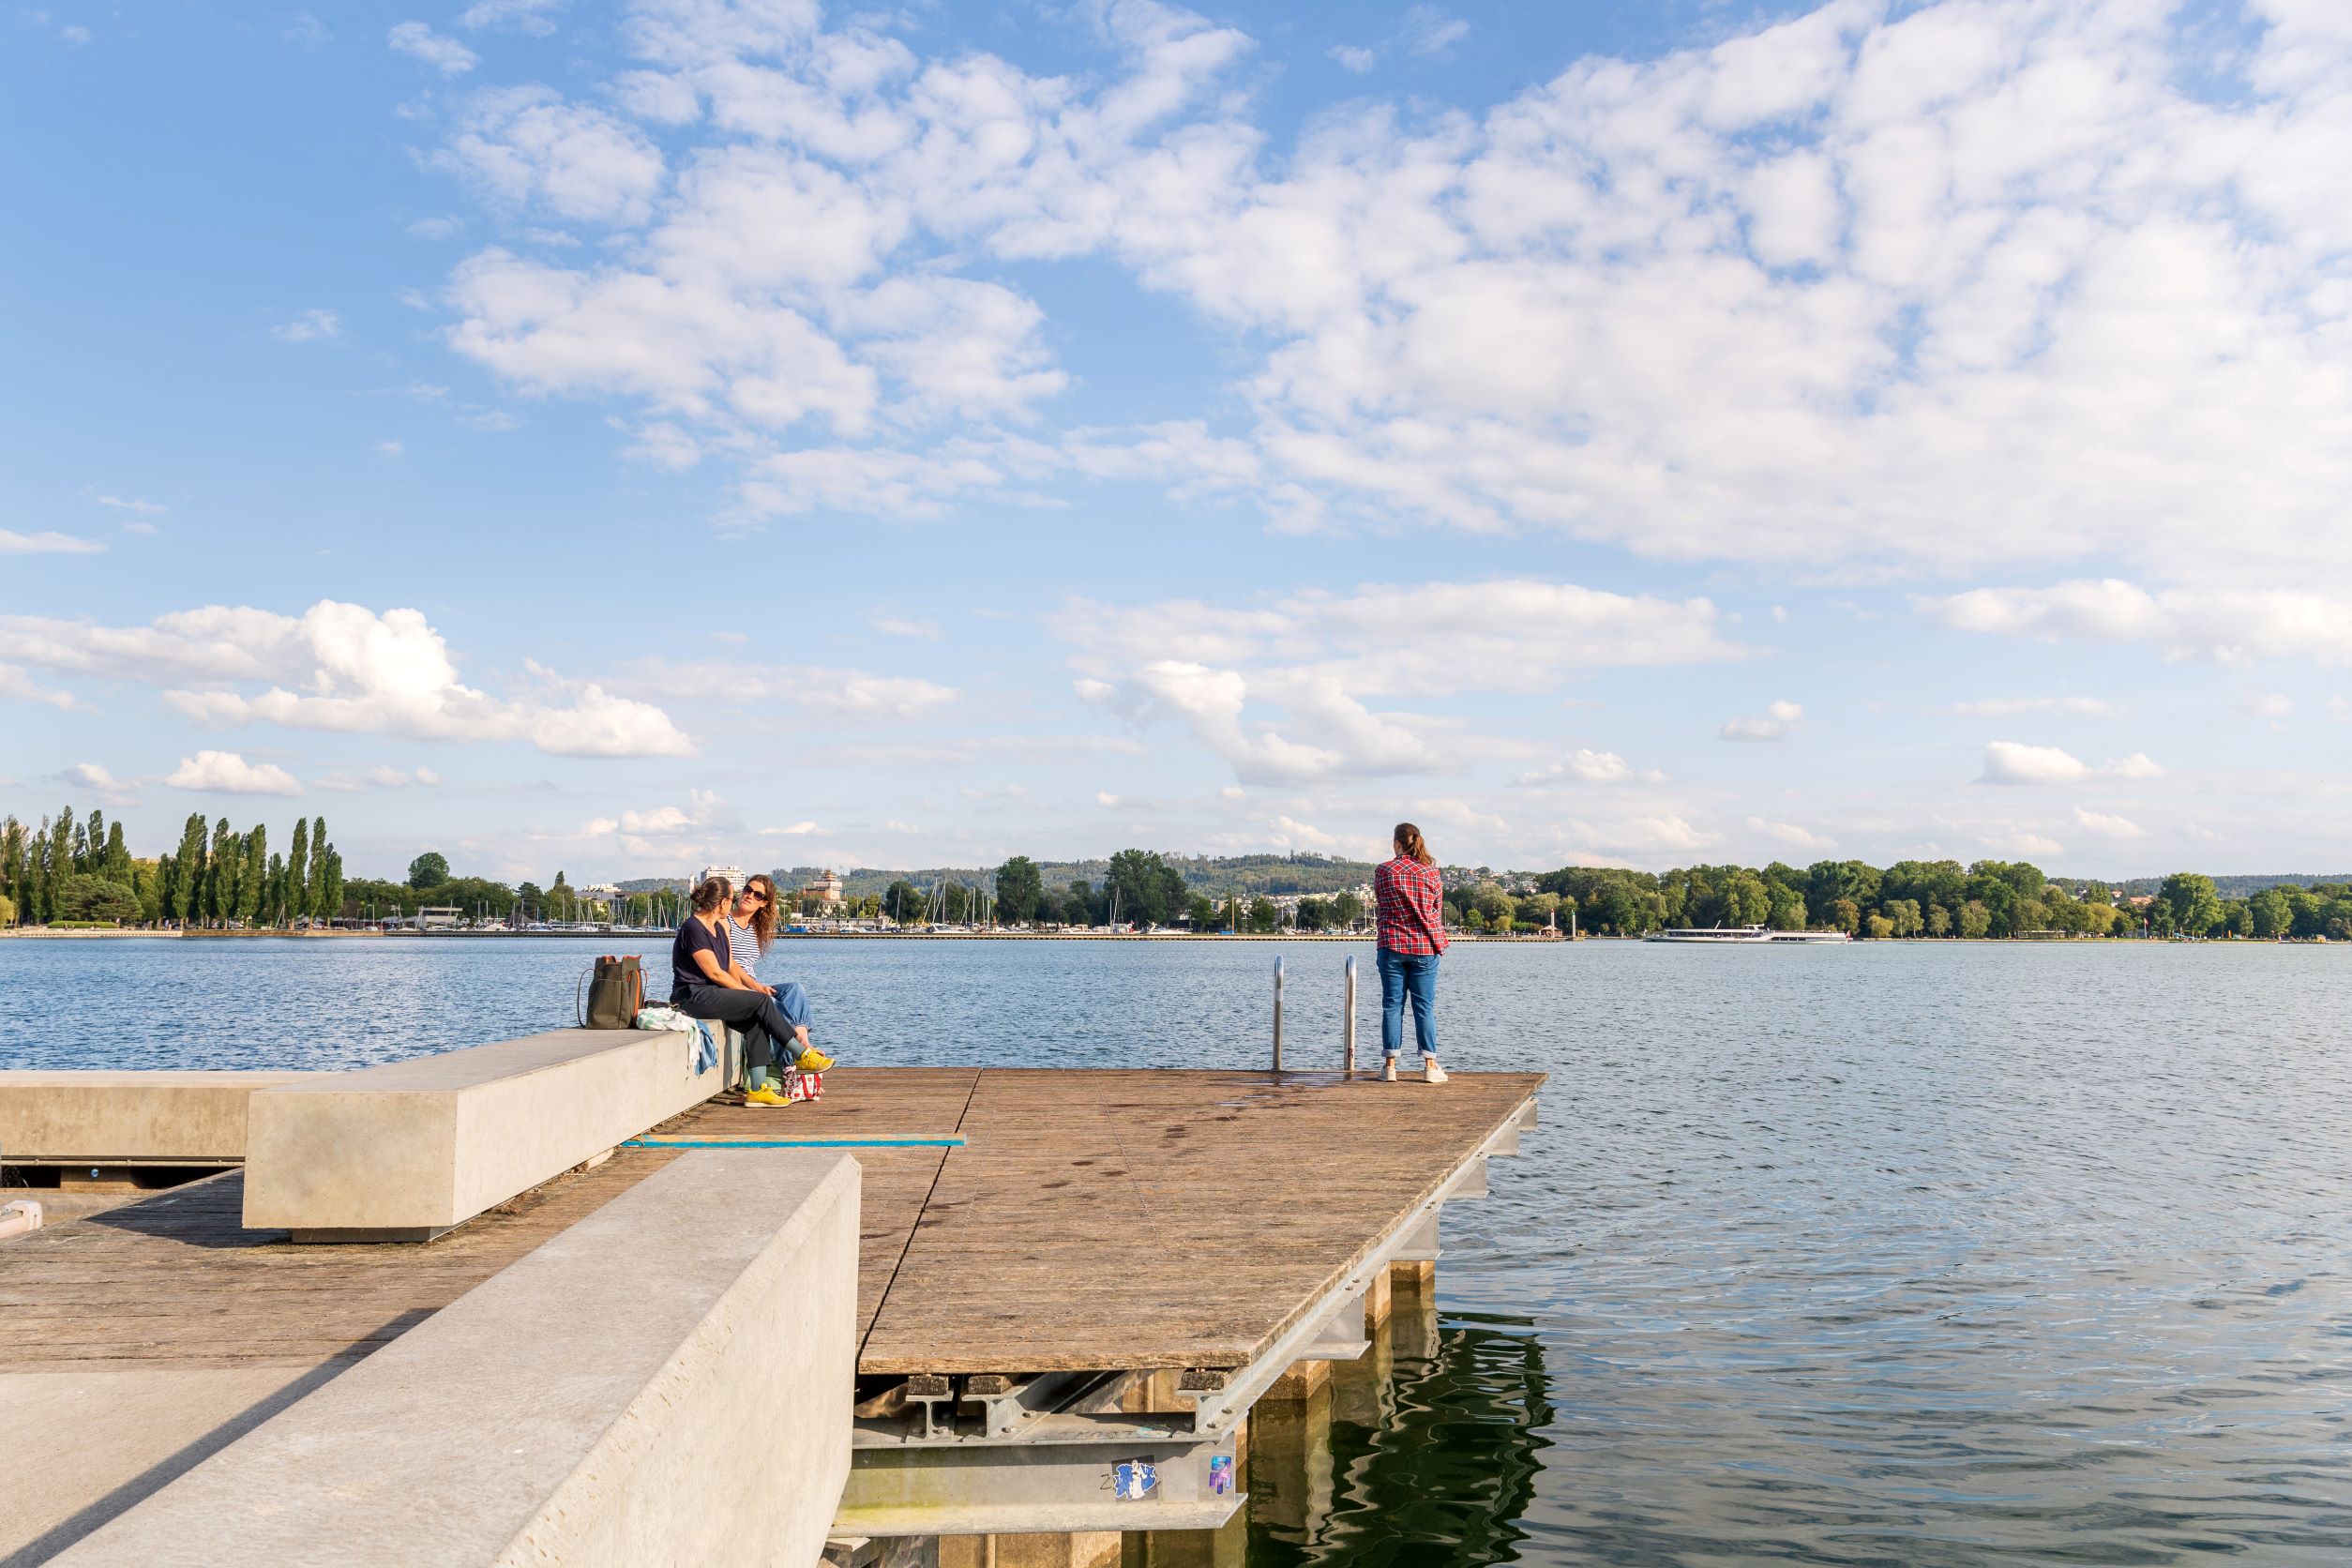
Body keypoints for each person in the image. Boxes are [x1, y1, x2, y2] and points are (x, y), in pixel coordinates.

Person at [669, 877, 822, 1108]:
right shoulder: (694, 927)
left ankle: (757, 1090)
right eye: (732, 898)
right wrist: (751, 994)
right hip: (691, 996)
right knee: (760, 1004)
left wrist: (754, 991)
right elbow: (715, 973)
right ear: (722, 903)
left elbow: (729, 965)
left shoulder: (718, 928)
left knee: (755, 1021)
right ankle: (800, 1054)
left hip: (711, 993)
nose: (736, 902)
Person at [722, 873, 832, 1093]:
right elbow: (728, 965)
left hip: (752, 984)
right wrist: (753, 989)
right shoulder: (726, 922)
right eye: (747, 890)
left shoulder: (755, 929)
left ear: (764, 903)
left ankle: (803, 1040)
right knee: (771, 1007)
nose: (749, 895)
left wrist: (756, 986)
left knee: (794, 989)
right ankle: (796, 1059)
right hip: (733, 986)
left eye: (757, 894)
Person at [1372, 822, 1449, 1084]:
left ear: (1396, 843)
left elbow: (1382, 904)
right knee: (1423, 1006)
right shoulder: (1431, 872)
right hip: (1424, 946)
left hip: (1391, 944)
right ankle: (1430, 1066)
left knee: (1392, 1005)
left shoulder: (1384, 870)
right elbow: (1436, 909)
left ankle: (1390, 1067)